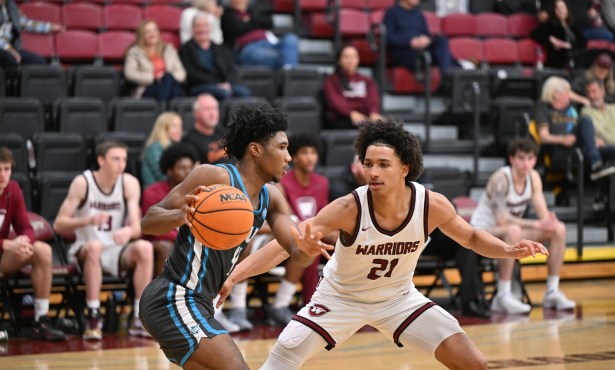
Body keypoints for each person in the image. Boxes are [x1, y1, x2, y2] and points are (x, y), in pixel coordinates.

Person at [218, 119, 548, 370]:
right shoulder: (349, 207)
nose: (373, 172)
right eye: (369, 164)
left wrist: (507, 250)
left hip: (399, 300)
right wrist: (235, 276)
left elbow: (473, 237)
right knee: (282, 357)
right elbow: (283, 244)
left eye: (383, 165)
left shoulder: (431, 204)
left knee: (474, 363)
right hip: (341, 299)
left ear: (405, 168)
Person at [137, 103, 330, 369]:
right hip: (173, 297)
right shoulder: (215, 176)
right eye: (282, 147)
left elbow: (297, 255)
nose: (289, 157)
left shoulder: (272, 197)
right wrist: (181, 216)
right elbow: (148, 222)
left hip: (203, 303)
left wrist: (307, 249)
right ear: (256, 149)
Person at [53, 140, 154, 341]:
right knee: (95, 246)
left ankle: (139, 317)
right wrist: (87, 219)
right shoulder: (83, 183)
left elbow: (137, 226)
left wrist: (128, 231)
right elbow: (59, 224)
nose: (121, 164)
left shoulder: (129, 183)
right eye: (115, 159)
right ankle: (93, 315)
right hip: (86, 247)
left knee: (145, 247)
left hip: (115, 248)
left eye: (124, 159)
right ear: (101, 160)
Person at [470, 138, 575, 314]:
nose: (526, 163)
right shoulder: (501, 179)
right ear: (512, 159)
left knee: (559, 229)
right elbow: (502, 219)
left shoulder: (533, 177)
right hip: (483, 231)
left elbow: (542, 212)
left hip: (511, 231)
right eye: (521, 158)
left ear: (535, 160)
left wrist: (549, 221)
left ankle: (552, 291)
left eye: (530, 158)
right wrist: (536, 223)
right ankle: (502, 295)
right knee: (513, 230)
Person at [0, 147, 66, 341]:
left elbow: (26, 226)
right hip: (4, 248)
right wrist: (8, 245)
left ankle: (41, 319)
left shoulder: (12, 189)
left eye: (6, 169)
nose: (3, 175)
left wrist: (25, 242)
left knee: (43, 250)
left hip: (4, 255)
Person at [534, 76, 615, 181]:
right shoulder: (544, 109)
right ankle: (596, 164)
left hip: (582, 148)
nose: (570, 95)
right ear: (556, 94)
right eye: (567, 92)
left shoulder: (571, 108)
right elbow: (544, 137)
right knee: (585, 120)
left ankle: (604, 193)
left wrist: (594, 138)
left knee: (613, 150)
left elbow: (587, 103)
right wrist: (562, 139)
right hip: (561, 150)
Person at [141, 143, 198, 275]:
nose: (188, 172)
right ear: (169, 170)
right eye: (182, 168)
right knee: (165, 246)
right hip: (157, 242)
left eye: (190, 167)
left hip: (186, 240)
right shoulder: (152, 191)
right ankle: (159, 292)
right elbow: (152, 228)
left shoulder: (199, 191)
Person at [179, 14, 251, 100]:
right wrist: (216, 84)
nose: (202, 29)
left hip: (222, 84)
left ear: (209, 28)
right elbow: (191, 73)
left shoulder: (219, 48)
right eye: (198, 26)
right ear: (192, 29)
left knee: (243, 92)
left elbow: (231, 69)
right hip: (200, 85)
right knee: (222, 93)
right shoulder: (186, 49)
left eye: (204, 26)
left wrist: (227, 83)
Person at [384, 0, 459, 73]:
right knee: (446, 58)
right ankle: (453, 74)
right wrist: (411, 42)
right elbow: (389, 38)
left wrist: (426, 40)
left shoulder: (419, 14)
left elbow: (427, 34)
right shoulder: (392, 13)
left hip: (423, 49)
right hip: (405, 52)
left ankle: (451, 75)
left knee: (441, 40)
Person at [221, 0, 299, 70]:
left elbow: (269, 22)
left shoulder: (252, 12)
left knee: (291, 38)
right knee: (282, 56)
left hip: (268, 43)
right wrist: (256, 22)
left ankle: (288, 70)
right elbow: (238, 28)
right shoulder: (227, 14)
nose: (239, 1)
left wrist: (250, 20)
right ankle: (289, 72)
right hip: (249, 49)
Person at [124, 20, 186, 103]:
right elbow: (130, 74)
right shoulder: (135, 52)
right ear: (141, 35)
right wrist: (154, 78)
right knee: (174, 89)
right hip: (148, 88)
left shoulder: (169, 50)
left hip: (170, 85)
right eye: (147, 32)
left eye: (155, 30)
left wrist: (165, 78)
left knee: (169, 80)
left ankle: (161, 110)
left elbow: (182, 74)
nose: (152, 34)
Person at [323, 45, 383, 130]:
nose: (350, 60)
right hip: (343, 118)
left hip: (365, 117)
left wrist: (373, 113)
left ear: (358, 59)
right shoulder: (332, 80)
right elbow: (336, 102)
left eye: (353, 56)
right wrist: (350, 113)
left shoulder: (367, 80)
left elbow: (373, 99)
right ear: (339, 60)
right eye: (346, 56)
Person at [0, 0, 63, 69]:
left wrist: (49, 27)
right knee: (10, 60)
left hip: (12, 49)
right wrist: (10, 50)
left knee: (39, 62)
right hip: (4, 49)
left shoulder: (10, 6)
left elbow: (24, 23)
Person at [531, 0, 587, 69]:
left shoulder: (572, 25)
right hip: (559, 62)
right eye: (558, 9)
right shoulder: (551, 24)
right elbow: (535, 34)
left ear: (567, 9)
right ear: (554, 11)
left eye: (563, 8)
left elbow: (583, 42)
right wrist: (551, 39)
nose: (561, 11)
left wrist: (568, 45)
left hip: (576, 60)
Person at [181, 94, 230, 165]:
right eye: (207, 109)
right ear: (196, 113)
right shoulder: (188, 141)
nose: (213, 113)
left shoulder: (224, 132)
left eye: (215, 108)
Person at [141, 112, 184, 188]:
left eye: (180, 126)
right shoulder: (155, 147)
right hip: (155, 194)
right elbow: (162, 175)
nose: (180, 130)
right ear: (163, 128)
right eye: (175, 126)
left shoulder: (172, 146)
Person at [539, 0, 614, 42]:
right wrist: (554, 14)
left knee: (609, 36)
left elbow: (591, 11)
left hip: (586, 29)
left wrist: (596, 17)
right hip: (566, 30)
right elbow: (541, 16)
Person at [583, 78, 615, 146]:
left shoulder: (612, 109)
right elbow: (600, 133)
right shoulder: (586, 112)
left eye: (594, 92)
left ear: (603, 91)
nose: (591, 96)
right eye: (588, 93)